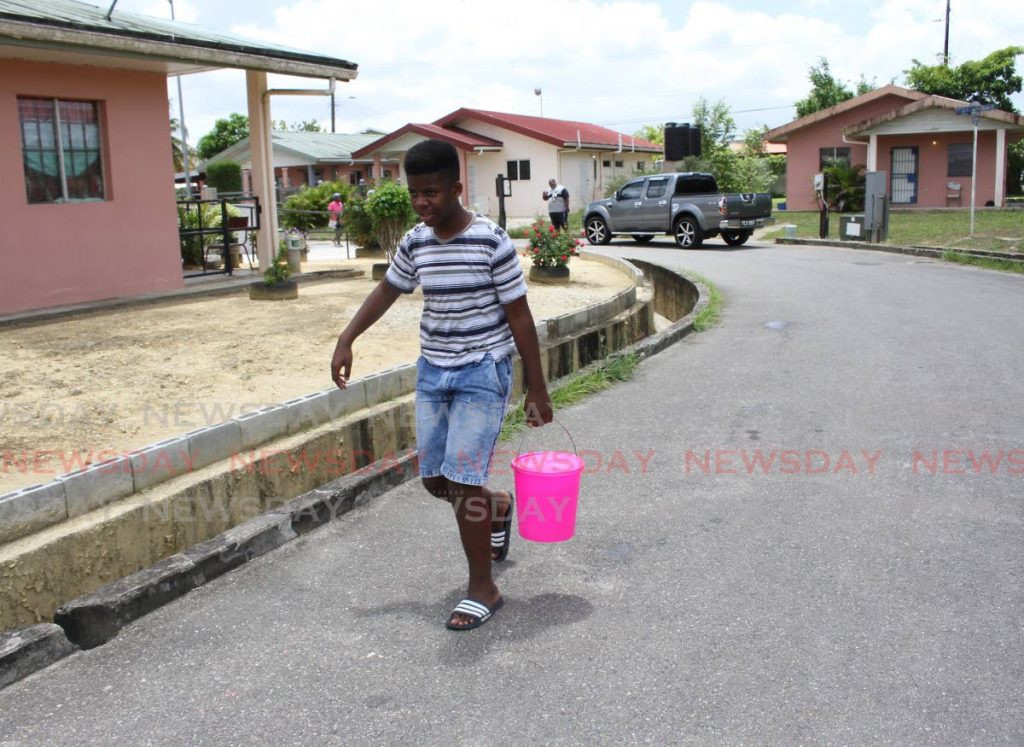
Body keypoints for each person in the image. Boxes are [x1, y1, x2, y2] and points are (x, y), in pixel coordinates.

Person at [330, 139, 553, 631]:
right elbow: (389, 288)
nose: (421, 203)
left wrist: (537, 388)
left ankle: (483, 588)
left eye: (430, 193)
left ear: (455, 188)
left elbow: (520, 316)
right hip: (434, 370)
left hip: (482, 370)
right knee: (435, 480)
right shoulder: (417, 241)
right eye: (414, 194)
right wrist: (347, 337)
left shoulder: (492, 241)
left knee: (462, 478)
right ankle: (497, 508)